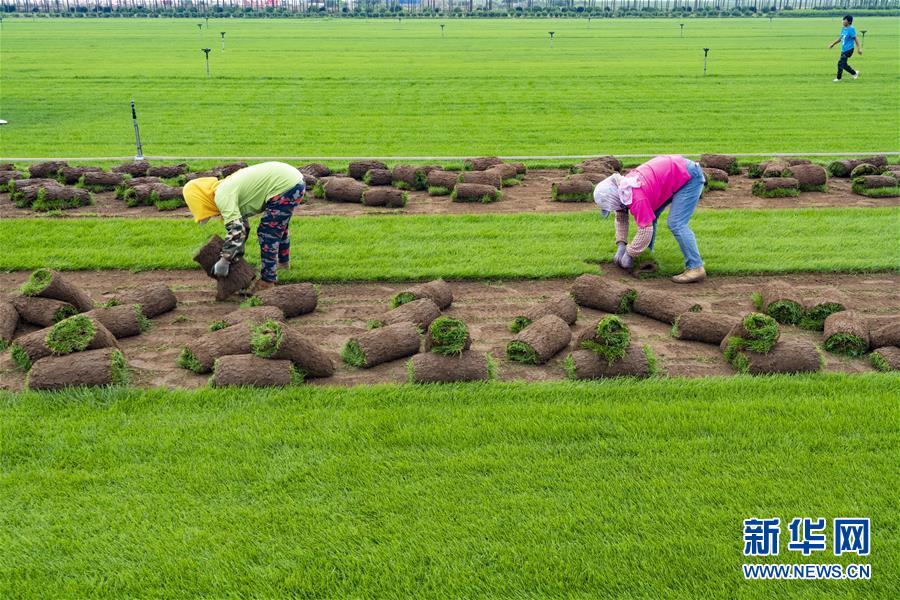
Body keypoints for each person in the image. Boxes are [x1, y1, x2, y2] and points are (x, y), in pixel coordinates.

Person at [183, 161, 305, 292]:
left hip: (285, 186)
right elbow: (244, 228)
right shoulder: (224, 188)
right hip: (291, 180)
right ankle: (282, 264)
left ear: (201, 200)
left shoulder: (222, 195)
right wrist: (234, 255)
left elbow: (237, 231)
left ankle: (267, 281)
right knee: (278, 227)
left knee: (267, 233)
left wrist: (225, 260)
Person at [593, 155, 706, 284]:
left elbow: (645, 230)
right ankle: (646, 255)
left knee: (676, 223)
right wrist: (621, 244)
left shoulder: (636, 198)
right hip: (671, 174)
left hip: (688, 176)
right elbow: (621, 217)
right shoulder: (622, 190)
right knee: (651, 216)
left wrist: (630, 253)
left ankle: (696, 267)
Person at [829, 14, 861, 82]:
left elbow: (855, 38)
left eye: (845, 20)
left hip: (849, 49)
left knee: (840, 63)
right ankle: (854, 73)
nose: (843, 21)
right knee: (844, 64)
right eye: (843, 20)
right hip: (843, 49)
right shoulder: (843, 28)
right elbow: (840, 38)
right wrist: (833, 44)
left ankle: (838, 78)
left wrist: (859, 48)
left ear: (849, 22)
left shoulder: (851, 29)